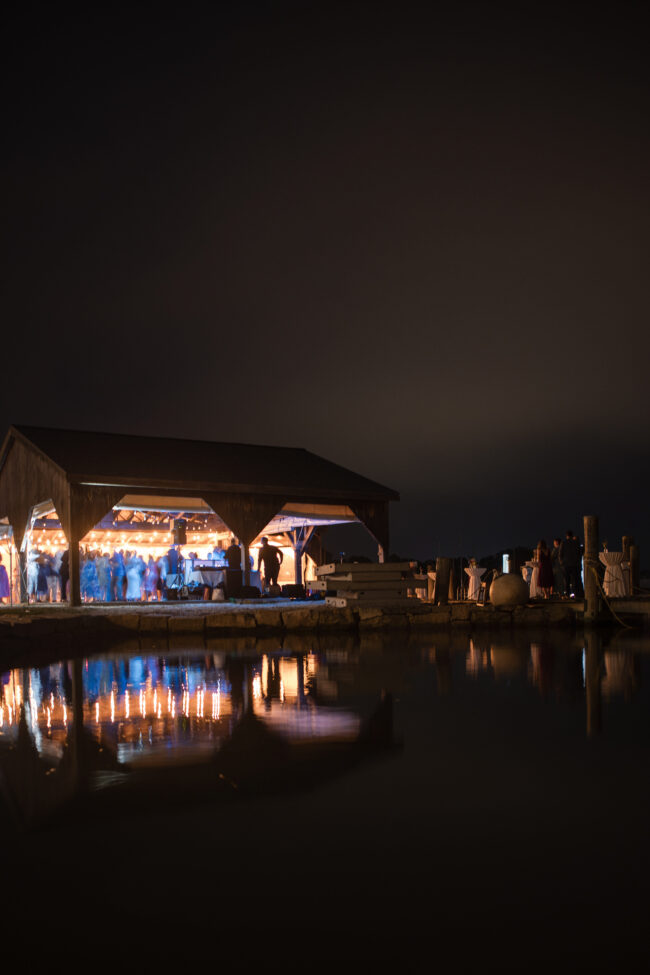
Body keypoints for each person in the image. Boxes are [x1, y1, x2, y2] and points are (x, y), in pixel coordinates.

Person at [559, 529, 584, 598]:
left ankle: (567, 594)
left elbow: (560, 554)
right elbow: (580, 553)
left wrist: (561, 562)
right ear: (572, 535)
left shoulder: (563, 543)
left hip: (566, 564)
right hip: (575, 564)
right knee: (575, 581)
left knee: (566, 581)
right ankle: (576, 594)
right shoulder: (576, 543)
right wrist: (578, 561)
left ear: (566, 535)